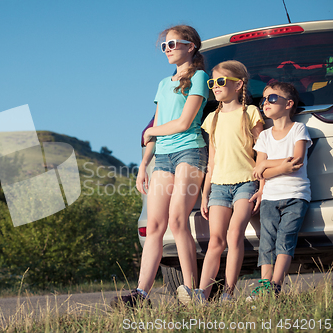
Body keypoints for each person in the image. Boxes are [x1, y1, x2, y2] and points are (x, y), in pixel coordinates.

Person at [110, 25, 209, 308]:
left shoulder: (200, 77)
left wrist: (153, 133)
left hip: (189, 151)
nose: (167, 49)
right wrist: (144, 164)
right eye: (164, 46)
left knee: (178, 221)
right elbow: (155, 124)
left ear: (190, 46)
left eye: (173, 44)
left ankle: (192, 293)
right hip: (162, 157)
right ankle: (141, 295)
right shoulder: (163, 84)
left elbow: (183, 123)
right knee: (154, 225)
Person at [196, 60, 264, 303]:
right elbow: (211, 160)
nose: (215, 86)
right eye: (212, 82)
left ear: (239, 85)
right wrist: (205, 193)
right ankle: (202, 293)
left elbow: (262, 151)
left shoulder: (251, 113)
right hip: (219, 187)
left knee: (235, 235)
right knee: (215, 240)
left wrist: (262, 185)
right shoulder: (212, 119)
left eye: (221, 81)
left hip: (246, 182)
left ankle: (228, 292)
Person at [247, 81, 312, 300]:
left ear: (289, 104)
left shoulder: (298, 129)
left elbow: (298, 160)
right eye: (263, 99)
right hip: (270, 198)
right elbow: (259, 171)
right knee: (266, 241)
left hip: (296, 196)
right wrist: (279, 167)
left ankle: (275, 285)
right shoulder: (264, 136)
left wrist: (269, 165)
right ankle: (264, 285)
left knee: (285, 239)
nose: (266, 103)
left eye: (272, 98)